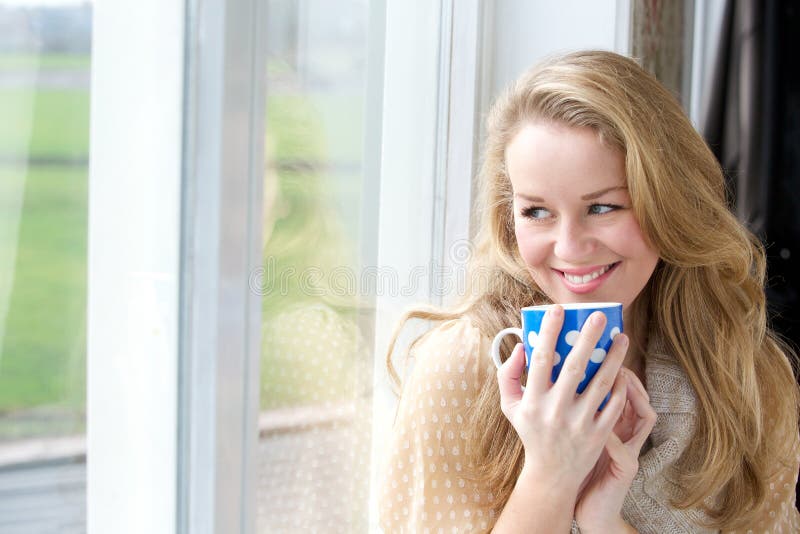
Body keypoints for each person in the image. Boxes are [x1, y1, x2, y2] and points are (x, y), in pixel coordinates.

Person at [378, 50, 800, 533]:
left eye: (602, 208)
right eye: (536, 212)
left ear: (669, 203)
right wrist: (551, 476)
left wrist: (604, 519)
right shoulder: (462, 371)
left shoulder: (748, 377)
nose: (569, 248)